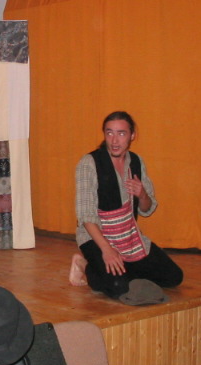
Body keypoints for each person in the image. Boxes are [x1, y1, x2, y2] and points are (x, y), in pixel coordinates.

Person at [74, 111, 183, 301]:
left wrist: (142, 194)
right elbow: (85, 216)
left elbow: (147, 209)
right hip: (96, 237)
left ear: (132, 135)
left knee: (173, 277)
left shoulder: (137, 162)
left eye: (121, 133)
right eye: (109, 133)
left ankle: (117, 268)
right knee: (119, 288)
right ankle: (86, 266)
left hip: (128, 235)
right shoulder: (89, 163)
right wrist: (107, 250)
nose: (114, 141)